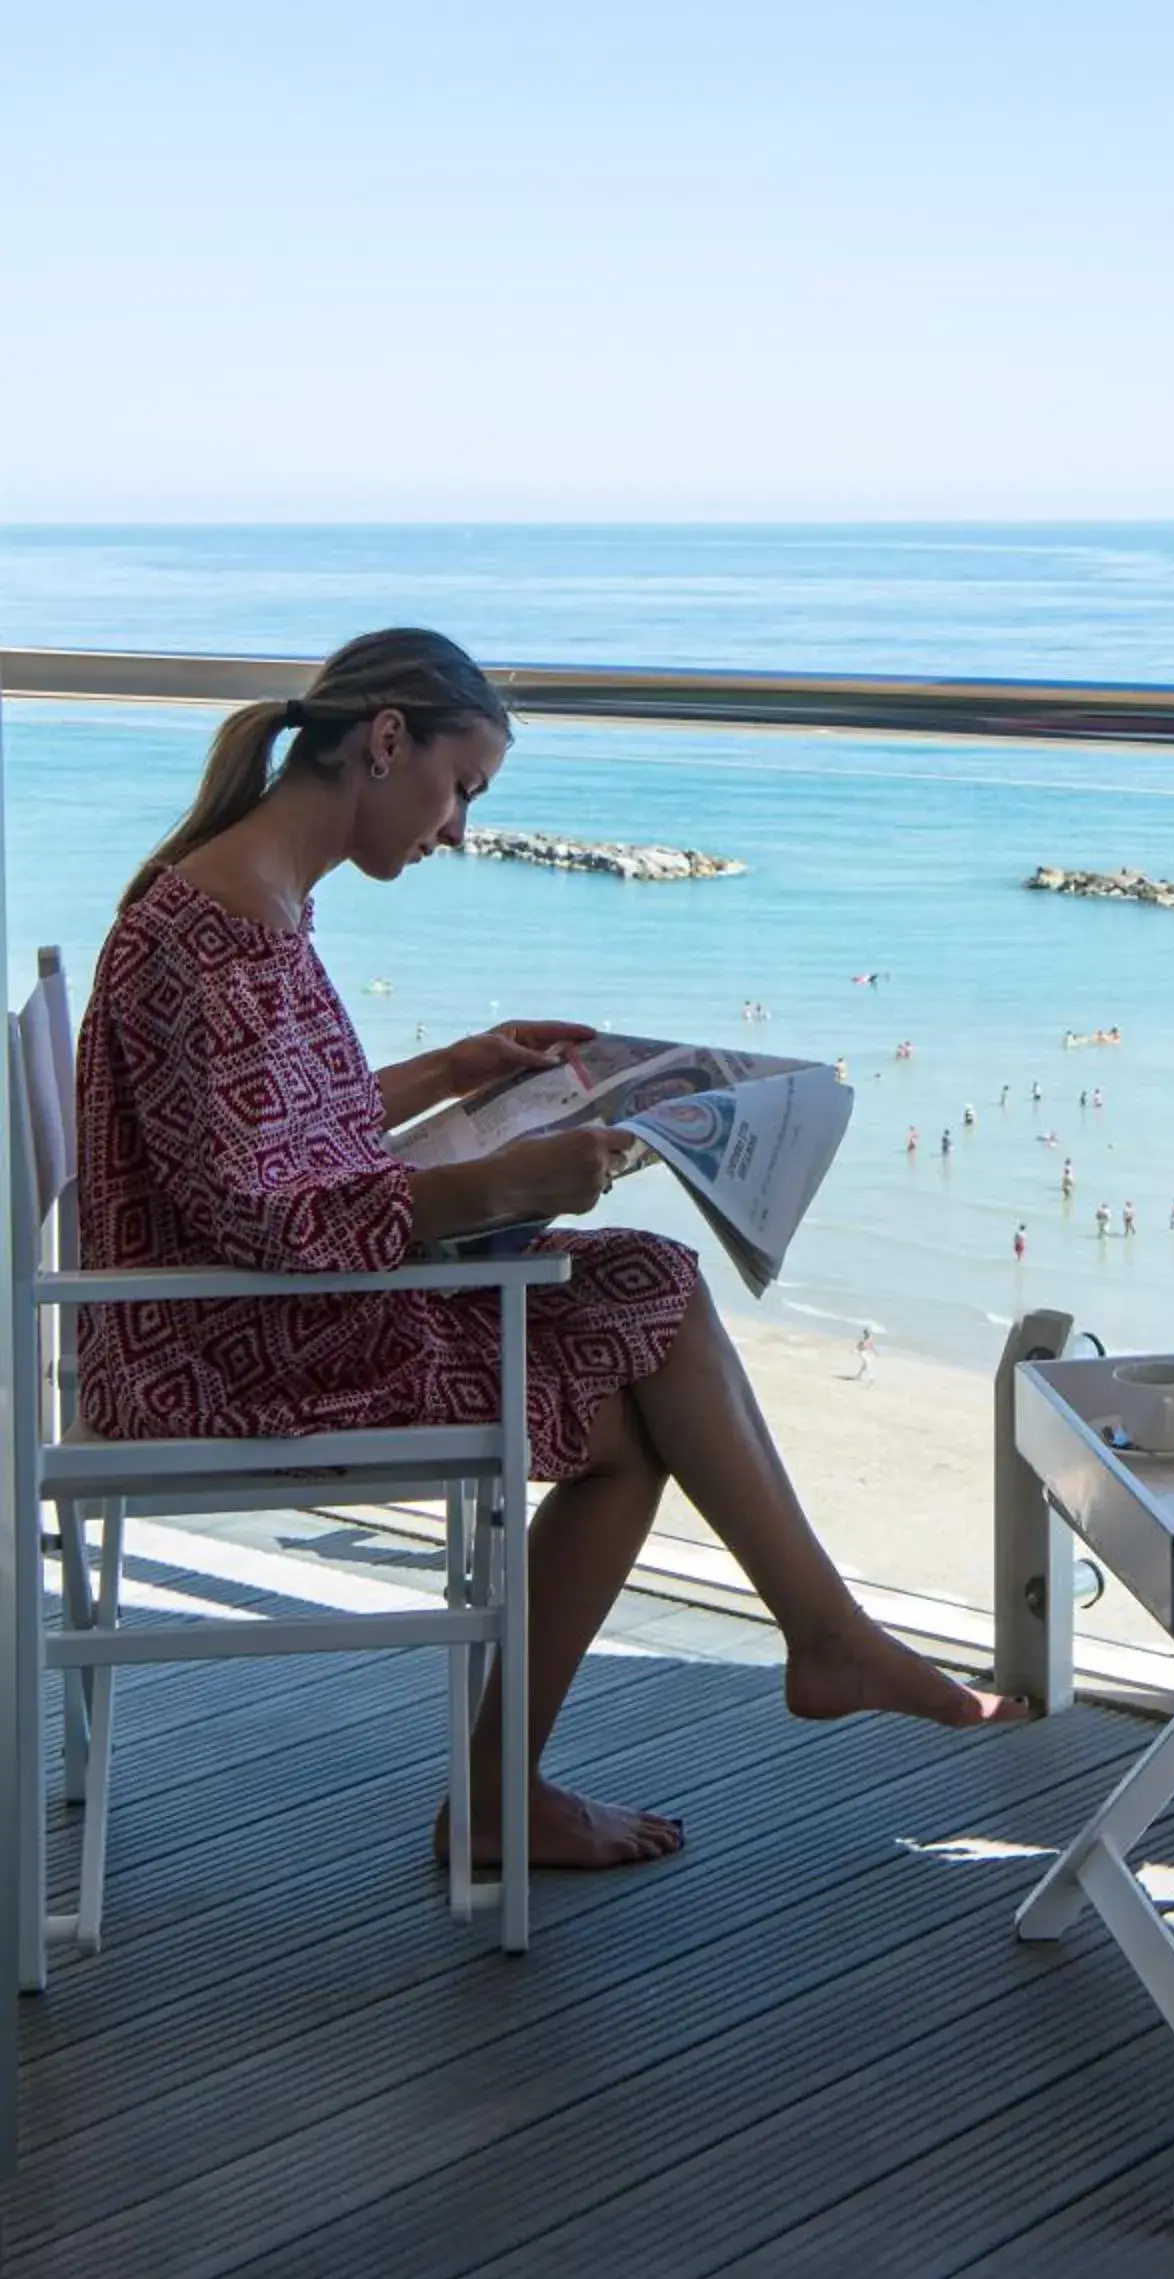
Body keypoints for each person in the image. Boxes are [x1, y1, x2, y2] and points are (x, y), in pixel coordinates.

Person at [74, 628, 1018, 1880]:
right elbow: (277, 1221)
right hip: (218, 1353)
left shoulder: (247, 896)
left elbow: (282, 1126)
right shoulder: (221, 935)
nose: (458, 828)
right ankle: (757, 1667)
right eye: (460, 789)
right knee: (643, 1325)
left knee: (642, 1316)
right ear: (387, 741)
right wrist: (508, 1178)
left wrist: (459, 1073)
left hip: (225, 1311)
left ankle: (761, 1664)